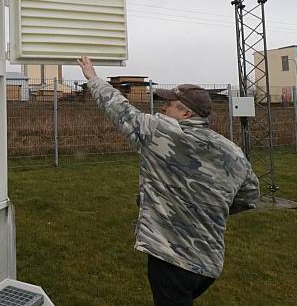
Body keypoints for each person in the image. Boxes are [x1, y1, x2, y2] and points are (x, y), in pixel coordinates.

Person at [76, 56, 259, 306]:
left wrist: (93, 79)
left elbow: (120, 109)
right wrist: (209, 205)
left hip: (171, 260)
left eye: (169, 105)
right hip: (208, 265)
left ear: (186, 112)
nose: (162, 109)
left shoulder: (160, 132)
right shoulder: (232, 151)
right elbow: (250, 196)